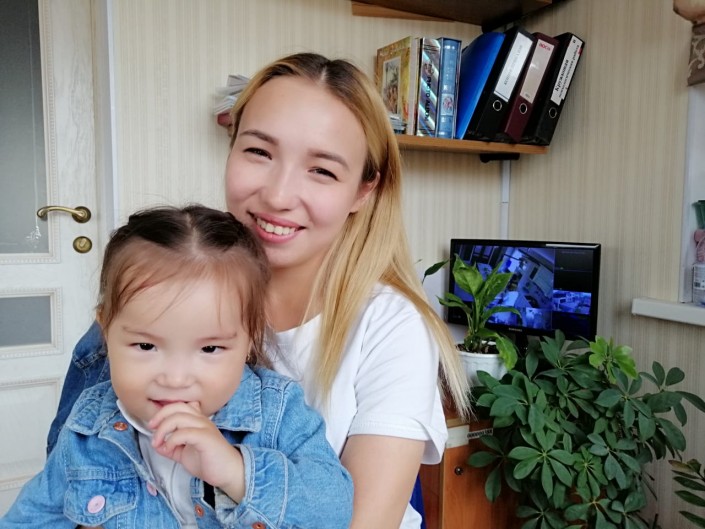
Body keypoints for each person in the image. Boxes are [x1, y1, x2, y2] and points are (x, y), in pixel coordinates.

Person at [46, 52, 471, 529]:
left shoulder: (391, 327)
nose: (278, 196)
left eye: (322, 171)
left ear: (362, 191)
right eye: (259, 152)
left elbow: (364, 522)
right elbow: (72, 485)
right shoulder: (152, 299)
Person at [2, 205, 353, 529]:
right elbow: (32, 518)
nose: (175, 378)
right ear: (106, 330)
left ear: (251, 338)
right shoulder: (87, 426)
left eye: (210, 348)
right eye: (146, 346)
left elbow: (333, 510)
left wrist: (236, 471)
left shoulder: (277, 410)